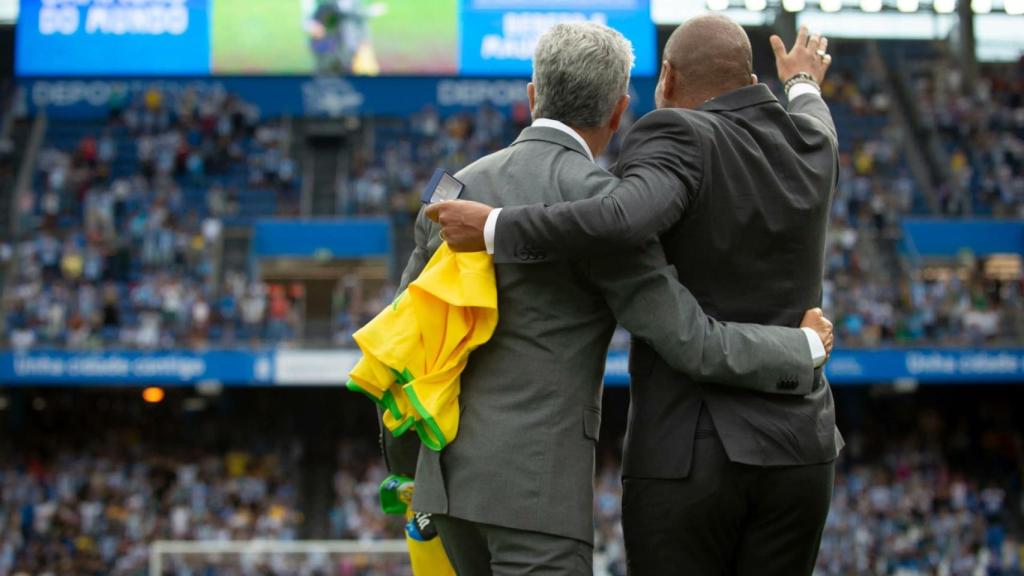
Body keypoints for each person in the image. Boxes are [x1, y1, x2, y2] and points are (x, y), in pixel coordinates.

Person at [388, 21, 836, 575]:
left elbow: (402, 345)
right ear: (620, 110)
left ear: (533, 95)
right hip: (536, 494)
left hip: (445, 487)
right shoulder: (599, 204)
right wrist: (801, 348)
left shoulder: (452, 191)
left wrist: (409, 469)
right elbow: (690, 339)